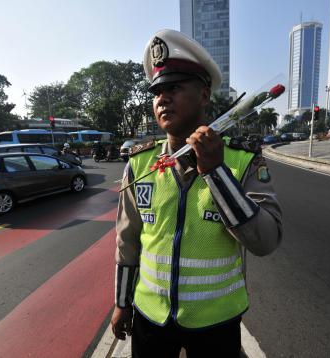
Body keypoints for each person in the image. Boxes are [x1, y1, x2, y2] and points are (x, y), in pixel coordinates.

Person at [111, 29, 283, 358]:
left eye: (174, 87)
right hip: (150, 318)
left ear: (204, 96)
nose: (162, 98)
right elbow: (127, 240)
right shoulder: (140, 163)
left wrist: (215, 172)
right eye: (157, 91)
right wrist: (121, 303)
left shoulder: (243, 161)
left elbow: (266, 240)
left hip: (216, 323)